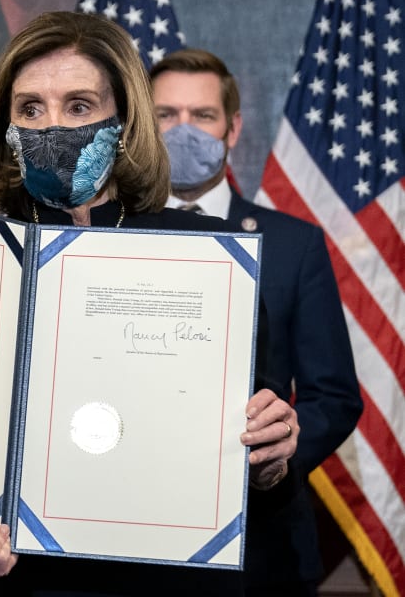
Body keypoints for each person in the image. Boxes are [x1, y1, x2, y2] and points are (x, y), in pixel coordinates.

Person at [0, 10, 301, 596]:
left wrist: (270, 457)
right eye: (31, 108)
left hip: (172, 580)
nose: (53, 127)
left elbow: (257, 469)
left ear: (123, 123)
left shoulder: (205, 257)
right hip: (18, 581)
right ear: (4, 126)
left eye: (80, 106)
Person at [150, 48, 362, 595]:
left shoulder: (295, 244)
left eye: (202, 116)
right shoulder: (105, 240)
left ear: (233, 128)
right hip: (134, 546)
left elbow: (334, 395)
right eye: (165, 116)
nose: (184, 130)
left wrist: (278, 455)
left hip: (263, 551)